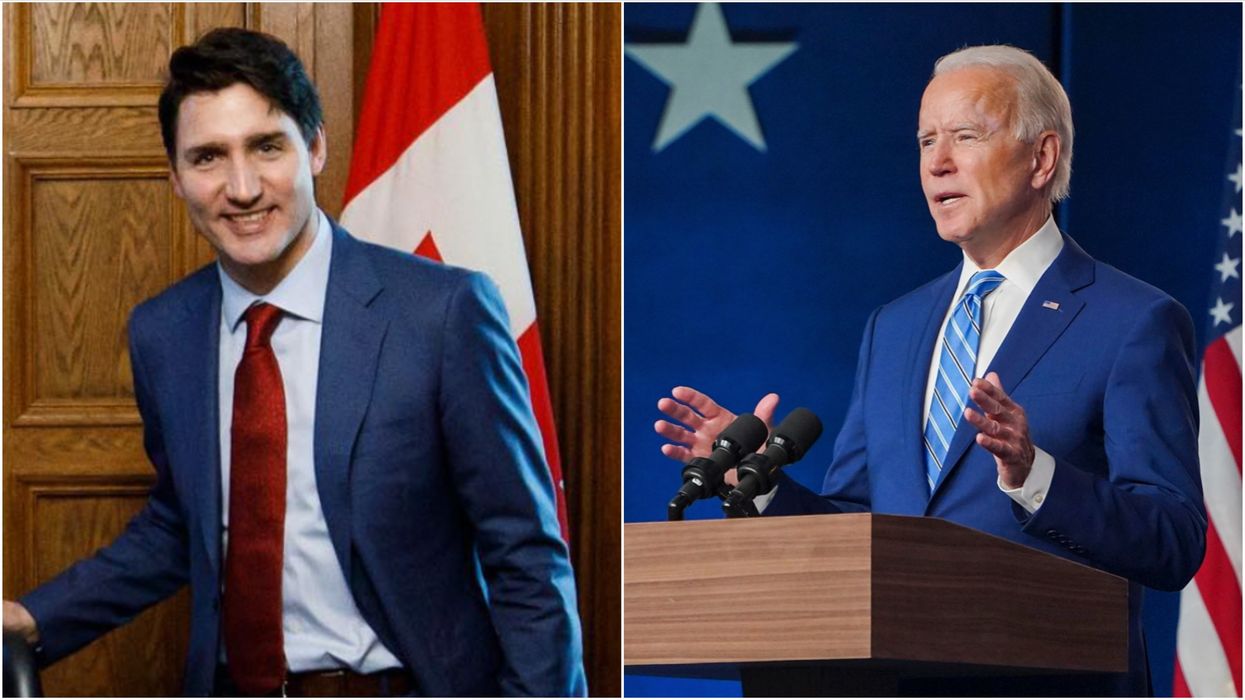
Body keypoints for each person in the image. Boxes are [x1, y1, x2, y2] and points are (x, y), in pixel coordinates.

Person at [3, 27, 586, 697]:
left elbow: (525, 553)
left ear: (314, 147)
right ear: (174, 176)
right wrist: (32, 618)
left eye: (266, 146)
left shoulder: (443, 314)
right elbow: (181, 522)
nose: (242, 187)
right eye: (208, 158)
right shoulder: (164, 331)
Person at [655, 45, 1204, 696]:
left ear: (1041, 157)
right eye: (924, 141)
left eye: (965, 136)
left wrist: (1035, 476)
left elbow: (1172, 539)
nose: (937, 163)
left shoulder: (1131, 321)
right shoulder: (895, 326)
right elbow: (861, 524)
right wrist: (760, 484)